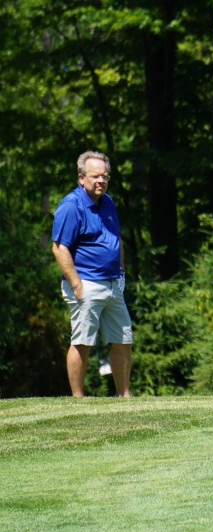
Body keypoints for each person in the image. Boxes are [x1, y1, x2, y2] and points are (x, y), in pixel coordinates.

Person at [51, 151, 133, 397]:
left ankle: (124, 396)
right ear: (81, 178)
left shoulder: (108, 202)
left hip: (113, 283)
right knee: (82, 342)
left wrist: (121, 271)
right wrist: (76, 284)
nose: (101, 181)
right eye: (95, 176)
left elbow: (115, 238)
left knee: (123, 340)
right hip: (86, 283)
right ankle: (78, 398)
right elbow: (59, 248)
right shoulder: (71, 206)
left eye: (104, 176)